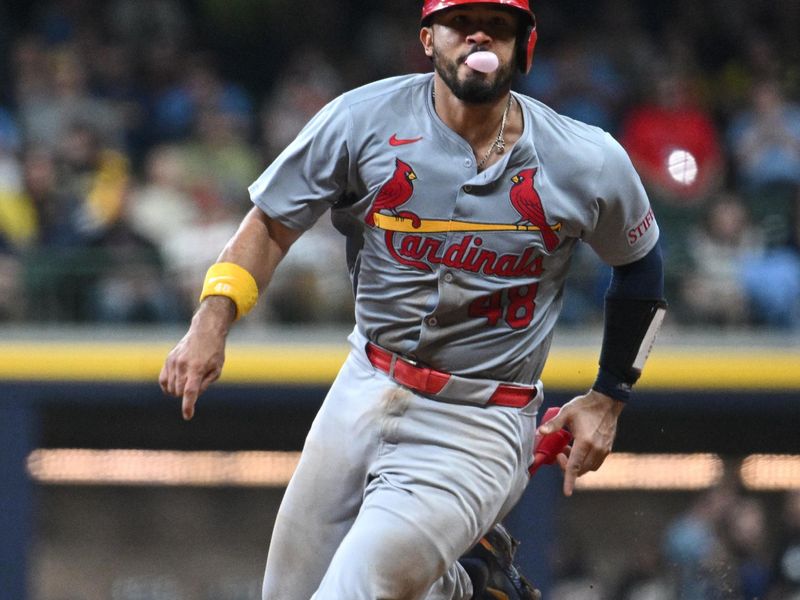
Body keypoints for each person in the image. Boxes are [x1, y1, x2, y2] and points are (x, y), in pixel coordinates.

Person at [159, 1, 667, 599]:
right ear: (428, 39)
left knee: (357, 587)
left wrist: (610, 396)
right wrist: (211, 321)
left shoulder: (586, 159)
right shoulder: (360, 119)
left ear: (523, 48)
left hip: (480, 416)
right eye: (460, 22)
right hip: (364, 384)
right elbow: (271, 223)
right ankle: (460, 587)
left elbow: (642, 269)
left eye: (499, 25)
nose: (479, 35)